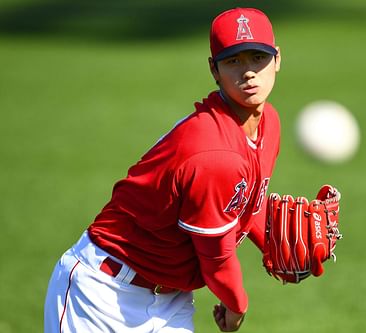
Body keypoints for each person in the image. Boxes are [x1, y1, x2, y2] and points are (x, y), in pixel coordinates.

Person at [44, 7, 282, 332]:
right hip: (102, 294)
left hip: (173, 302)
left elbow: (245, 203)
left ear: (277, 59)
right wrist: (236, 305)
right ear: (214, 69)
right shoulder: (213, 152)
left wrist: (273, 241)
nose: (248, 72)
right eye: (233, 61)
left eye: (257, 57)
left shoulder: (269, 124)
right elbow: (216, 259)